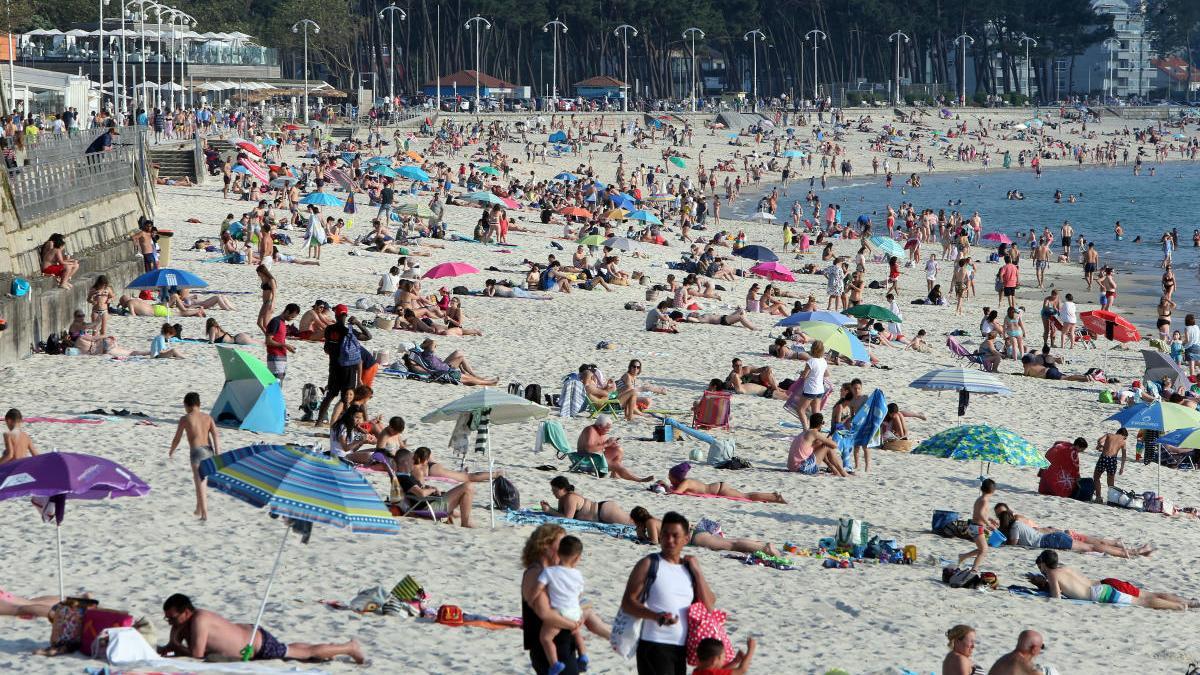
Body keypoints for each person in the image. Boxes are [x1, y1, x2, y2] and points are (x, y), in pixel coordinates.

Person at [620, 511, 716, 675]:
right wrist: (656, 616)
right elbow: (628, 603)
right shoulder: (649, 564)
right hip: (653, 645)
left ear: (686, 539)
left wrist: (698, 573)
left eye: (675, 535)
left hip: (681, 648)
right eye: (665, 534)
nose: (669, 540)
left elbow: (709, 606)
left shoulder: (689, 569)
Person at [159, 593, 365, 663]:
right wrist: (169, 647)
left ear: (186, 611)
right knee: (294, 649)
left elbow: (196, 656)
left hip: (257, 645)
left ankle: (348, 647)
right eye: (167, 619)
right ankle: (330, 648)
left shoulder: (199, 620)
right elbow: (173, 648)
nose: (170, 622)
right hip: (250, 635)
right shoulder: (183, 624)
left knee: (304, 653)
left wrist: (176, 647)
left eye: (172, 618)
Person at [1034, 550, 1196, 610]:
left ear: (1044, 565)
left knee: (1144, 602)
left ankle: (1179, 606)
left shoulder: (1052, 574)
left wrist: (1043, 586)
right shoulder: (1065, 568)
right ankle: (1191, 601)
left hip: (1101, 593)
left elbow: (1056, 598)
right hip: (1106, 582)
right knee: (1150, 595)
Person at [522, 525, 583, 675]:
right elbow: (545, 613)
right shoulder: (537, 573)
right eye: (561, 543)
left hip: (562, 645)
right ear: (545, 545)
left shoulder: (554, 574)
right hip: (547, 651)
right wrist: (572, 624)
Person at [993, 503, 1153, 557]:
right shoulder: (1018, 522)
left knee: (1093, 547)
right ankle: (1134, 551)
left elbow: (1013, 544)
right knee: (1093, 545)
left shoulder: (1015, 525)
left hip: (1052, 539)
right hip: (1054, 536)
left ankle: (1129, 552)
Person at [536, 536, 594, 675]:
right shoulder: (578, 575)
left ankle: (554, 664)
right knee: (576, 632)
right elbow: (579, 595)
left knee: (546, 638)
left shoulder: (549, 572)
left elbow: (538, 588)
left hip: (559, 612)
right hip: (575, 612)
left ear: (558, 553)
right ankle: (583, 655)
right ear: (577, 558)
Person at [630, 506, 778, 556]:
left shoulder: (649, 522)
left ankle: (764, 548)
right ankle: (760, 544)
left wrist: (641, 535)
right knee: (729, 542)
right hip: (693, 531)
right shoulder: (653, 519)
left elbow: (654, 542)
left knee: (730, 545)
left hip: (694, 535)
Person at [168, 392, 220, 521]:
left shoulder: (185, 418)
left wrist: (171, 450)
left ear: (186, 405)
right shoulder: (208, 417)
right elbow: (216, 436)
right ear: (199, 404)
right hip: (209, 450)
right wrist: (218, 454)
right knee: (202, 480)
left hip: (196, 452)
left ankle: (204, 514)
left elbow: (177, 438)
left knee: (200, 483)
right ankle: (198, 508)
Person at [391, 450, 474, 527]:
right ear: (406, 462)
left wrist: (428, 487)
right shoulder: (404, 478)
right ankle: (465, 523)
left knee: (461, 504)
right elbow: (421, 493)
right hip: (428, 506)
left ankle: (465, 520)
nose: (414, 462)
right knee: (467, 486)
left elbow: (417, 489)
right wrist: (432, 490)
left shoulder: (406, 476)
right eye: (412, 460)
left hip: (430, 503)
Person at [663, 461, 785, 503]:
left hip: (720, 490)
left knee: (746, 496)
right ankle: (773, 496)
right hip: (718, 487)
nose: (669, 479)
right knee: (746, 495)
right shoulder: (686, 481)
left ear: (675, 477)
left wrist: (665, 486)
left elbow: (676, 493)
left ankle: (774, 497)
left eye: (670, 477)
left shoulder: (686, 483)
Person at [577, 415, 651, 482]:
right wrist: (607, 444)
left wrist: (612, 444)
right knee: (616, 464)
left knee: (618, 449)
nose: (608, 431)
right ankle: (638, 479)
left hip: (595, 458)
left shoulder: (600, 432)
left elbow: (601, 446)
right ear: (599, 426)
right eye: (607, 429)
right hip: (586, 460)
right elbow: (589, 449)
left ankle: (615, 474)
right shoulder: (590, 430)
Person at [540, 475, 634, 524]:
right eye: (553, 490)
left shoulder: (570, 498)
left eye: (555, 490)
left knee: (633, 523)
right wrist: (549, 508)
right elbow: (560, 514)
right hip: (601, 512)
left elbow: (567, 519)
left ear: (564, 489)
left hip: (604, 511)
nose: (553, 493)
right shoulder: (562, 498)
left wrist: (549, 510)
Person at [958, 478, 998, 570]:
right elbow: (980, 514)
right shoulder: (984, 500)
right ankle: (974, 569)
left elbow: (981, 513)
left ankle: (963, 556)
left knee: (982, 549)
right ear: (993, 491)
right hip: (977, 527)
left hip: (975, 526)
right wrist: (988, 524)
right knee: (983, 550)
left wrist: (991, 519)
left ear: (981, 488)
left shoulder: (981, 499)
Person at [792, 340, 828, 426]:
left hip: (811, 389)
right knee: (816, 412)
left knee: (800, 409)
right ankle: (818, 429)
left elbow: (804, 376)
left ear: (812, 349)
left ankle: (805, 429)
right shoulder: (823, 361)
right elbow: (827, 374)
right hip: (820, 389)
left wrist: (801, 373)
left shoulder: (811, 361)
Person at [264, 303, 300, 382]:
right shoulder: (275, 322)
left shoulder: (282, 323)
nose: (292, 319)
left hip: (281, 356)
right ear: (287, 311)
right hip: (274, 356)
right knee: (275, 383)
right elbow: (268, 341)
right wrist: (285, 345)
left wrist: (287, 347)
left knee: (279, 381)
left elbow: (279, 340)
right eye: (292, 316)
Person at [1092, 428, 1128, 503]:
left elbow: (1100, 440)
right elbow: (1124, 455)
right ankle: (1111, 500)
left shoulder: (1109, 435)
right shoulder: (1123, 442)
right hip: (1112, 460)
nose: (1125, 439)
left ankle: (1098, 497)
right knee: (1111, 483)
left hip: (1104, 457)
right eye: (1125, 437)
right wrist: (1122, 467)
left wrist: (1100, 446)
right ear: (1124, 435)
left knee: (1096, 477)